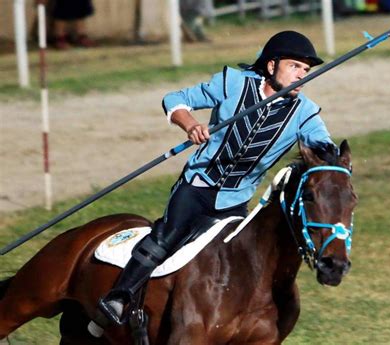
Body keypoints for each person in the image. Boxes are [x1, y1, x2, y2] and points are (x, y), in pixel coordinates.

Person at [93, 30, 335, 328]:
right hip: (196, 188)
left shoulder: (305, 113)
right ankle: (120, 296)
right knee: (165, 237)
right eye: (294, 66)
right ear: (271, 66)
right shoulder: (232, 83)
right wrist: (191, 124)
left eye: (306, 70)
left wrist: (333, 158)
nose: (302, 75)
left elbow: (324, 145)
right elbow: (175, 99)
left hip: (235, 201)